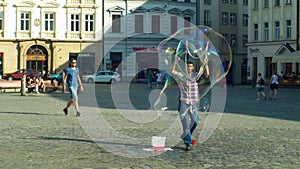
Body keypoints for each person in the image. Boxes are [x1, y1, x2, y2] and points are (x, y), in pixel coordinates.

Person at [171, 57, 209, 151]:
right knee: (185, 122)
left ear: (193, 68)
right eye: (188, 66)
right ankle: (188, 142)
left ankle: (186, 135)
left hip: (194, 101)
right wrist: (176, 61)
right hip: (183, 101)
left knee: (195, 121)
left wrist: (206, 64)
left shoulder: (195, 76)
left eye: (191, 66)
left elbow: (206, 75)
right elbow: (172, 71)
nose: (189, 67)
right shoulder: (181, 75)